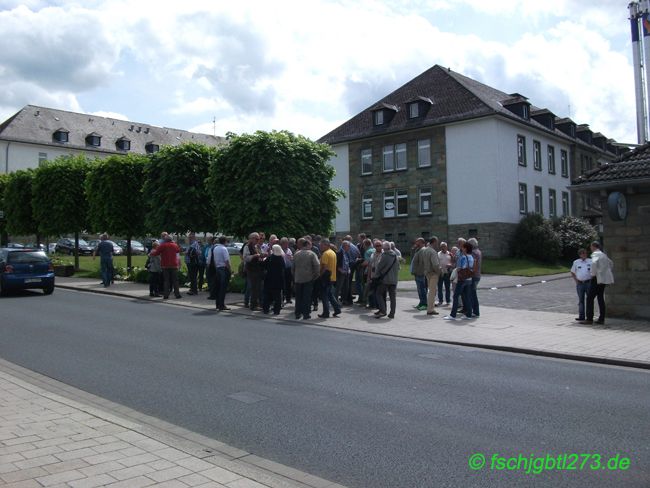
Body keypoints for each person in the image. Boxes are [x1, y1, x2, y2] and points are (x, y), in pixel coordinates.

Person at [582, 241, 614, 325]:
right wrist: (605, 272)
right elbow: (611, 263)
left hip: (597, 279)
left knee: (589, 298)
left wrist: (593, 274)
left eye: (591, 246)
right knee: (600, 298)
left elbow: (593, 263)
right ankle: (601, 319)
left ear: (593, 246)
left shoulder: (595, 254)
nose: (590, 248)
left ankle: (589, 319)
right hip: (603, 279)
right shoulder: (603, 254)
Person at [444, 241, 474, 320]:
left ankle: (453, 315)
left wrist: (456, 270)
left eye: (463, 247)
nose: (462, 248)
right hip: (469, 279)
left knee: (456, 296)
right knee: (467, 296)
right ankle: (469, 314)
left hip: (462, 279)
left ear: (466, 248)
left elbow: (460, 267)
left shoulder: (463, 257)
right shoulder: (471, 257)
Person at [292, 238, 320, 320]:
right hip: (308, 278)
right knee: (307, 297)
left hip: (298, 279)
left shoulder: (296, 254)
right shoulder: (311, 254)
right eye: (310, 245)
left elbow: (292, 267)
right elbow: (317, 265)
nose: (311, 246)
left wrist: (295, 276)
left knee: (298, 297)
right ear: (307, 245)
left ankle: (297, 313)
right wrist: (315, 276)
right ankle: (306, 314)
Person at [150, 234, 182, 299]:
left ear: (166, 240)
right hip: (174, 265)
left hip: (165, 265)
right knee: (175, 280)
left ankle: (166, 295)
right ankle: (177, 294)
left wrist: (151, 253)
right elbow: (178, 251)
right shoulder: (175, 245)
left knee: (166, 281)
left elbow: (156, 253)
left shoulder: (163, 245)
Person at [374, 241, 399, 318]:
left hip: (385, 280)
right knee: (392, 297)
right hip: (394, 280)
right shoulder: (395, 256)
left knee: (378, 294)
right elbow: (398, 268)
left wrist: (376, 276)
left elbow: (379, 267)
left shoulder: (384, 255)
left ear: (384, 248)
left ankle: (383, 310)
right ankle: (392, 313)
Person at [318, 238, 341, 318]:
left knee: (324, 296)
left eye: (321, 245)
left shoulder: (325, 254)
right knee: (330, 294)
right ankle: (337, 309)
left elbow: (324, 267)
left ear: (325, 245)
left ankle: (326, 312)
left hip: (326, 278)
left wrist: (320, 275)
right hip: (332, 277)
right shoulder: (332, 252)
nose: (320, 246)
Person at [242, 232, 263, 310]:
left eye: (259, 239)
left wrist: (262, 255)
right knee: (253, 287)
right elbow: (245, 258)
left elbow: (259, 255)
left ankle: (256, 304)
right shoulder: (247, 247)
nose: (258, 240)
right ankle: (253, 305)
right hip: (251, 269)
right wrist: (254, 256)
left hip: (257, 269)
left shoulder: (256, 246)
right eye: (257, 239)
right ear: (251, 239)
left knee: (257, 287)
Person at [263, 245, 285, 315]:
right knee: (277, 297)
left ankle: (266, 309)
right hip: (278, 280)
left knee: (267, 295)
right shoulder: (281, 258)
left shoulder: (270, 258)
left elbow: (263, 265)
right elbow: (284, 267)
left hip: (269, 279)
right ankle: (276, 311)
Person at [570, 248, 592, 322]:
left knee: (589, 300)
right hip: (580, 284)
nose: (584, 255)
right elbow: (572, 272)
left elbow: (594, 271)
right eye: (582, 253)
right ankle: (581, 316)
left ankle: (589, 316)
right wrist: (576, 281)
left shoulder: (590, 261)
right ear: (580, 255)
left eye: (585, 253)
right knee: (581, 300)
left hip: (588, 283)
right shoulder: (576, 262)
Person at [421, 237, 441, 316]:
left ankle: (431, 307)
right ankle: (430, 309)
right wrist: (439, 272)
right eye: (437, 242)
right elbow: (435, 265)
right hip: (433, 273)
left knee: (431, 291)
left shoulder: (424, 250)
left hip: (427, 272)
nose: (437, 244)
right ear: (434, 242)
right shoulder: (432, 251)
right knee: (432, 292)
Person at [211, 236, 231, 311]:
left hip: (218, 268)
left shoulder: (215, 248)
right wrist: (229, 269)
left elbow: (215, 260)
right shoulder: (224, 249)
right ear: (225, 241)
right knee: (223, 288)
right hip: (224, 269)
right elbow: (226, 261)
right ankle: (221, 305)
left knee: (218, 287)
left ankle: (217, 304)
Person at [410, 238, 428, 311]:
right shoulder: (418, 250)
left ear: (421, 242)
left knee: (422, 289)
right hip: (417, 273)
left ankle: (424, 304)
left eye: (417, 242)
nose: (416, 243)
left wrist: (419, 271)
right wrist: (413, 249)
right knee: (419, 290)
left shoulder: (423, 250)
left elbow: (422, 263)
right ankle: (421, 303)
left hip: (421, 273)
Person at [468, 237, 482, 318]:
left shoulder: (473, 253)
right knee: (473, 293)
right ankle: (474, 310)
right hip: (478, 275)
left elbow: (472, 264)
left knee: (472, 294)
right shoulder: (479, 251)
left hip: (473, 275)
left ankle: (475, 311)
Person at [437, 242, 452, 306]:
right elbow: (436, 263)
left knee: (447, 288)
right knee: (439, 287)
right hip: (440, 273)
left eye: (444, 246)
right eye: (442, 246)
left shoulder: (450, 254)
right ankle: (440, 300)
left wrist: (450, 265)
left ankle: (448, 300)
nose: (443, 247)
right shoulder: (438, 254)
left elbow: (453, 262)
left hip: (447, 273)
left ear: (446, 247)